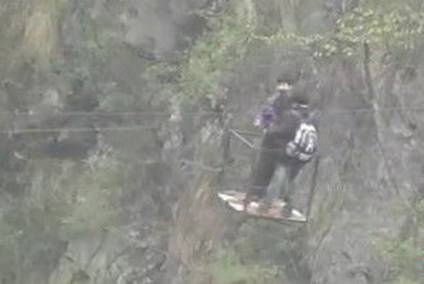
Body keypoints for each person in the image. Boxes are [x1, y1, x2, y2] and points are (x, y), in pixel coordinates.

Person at [245, 82, 318, 217]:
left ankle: (264, 206)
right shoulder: (310, 116)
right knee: (289, 181)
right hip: (304, 155)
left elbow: (281, 130)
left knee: (278, 179)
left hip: (289, 153)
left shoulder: (292, 114)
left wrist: (269, 130)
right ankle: (288, 207)